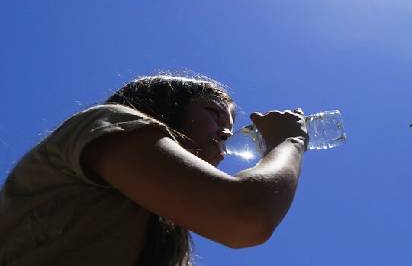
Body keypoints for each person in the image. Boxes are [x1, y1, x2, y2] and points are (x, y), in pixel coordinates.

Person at [0, 74, 309, 266]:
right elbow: (245, 215)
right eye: (213, 113)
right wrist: (290, 141)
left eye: (229, 128)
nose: (225, 133)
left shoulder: (162, 230)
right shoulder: (106, 121)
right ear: (164, 107)